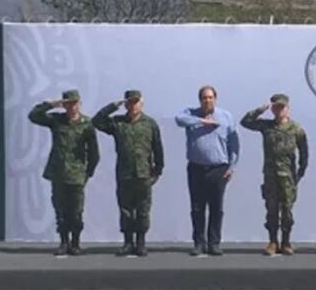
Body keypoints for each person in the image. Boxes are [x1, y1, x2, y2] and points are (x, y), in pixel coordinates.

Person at [92, 90, 164, 258]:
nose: (133, 106)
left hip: (144, 174)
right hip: (124, 174)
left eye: (136, 102)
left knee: (143, 210)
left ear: (141, 104)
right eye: (129, 103)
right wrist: (113, 106)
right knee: (125, 210)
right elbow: (96, 121)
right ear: (125, 104)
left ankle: (140, 243)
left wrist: (158, 170)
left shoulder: (150, 123)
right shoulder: (118, 122)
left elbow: (157, 148)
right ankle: (127, 242)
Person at [28, 89, 99, 257]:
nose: (71, 107)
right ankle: (63, 242)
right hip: (58, 173)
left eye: (74, 103)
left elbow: (94, 152)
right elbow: (33, 115)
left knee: (76, 211)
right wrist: (53, 104)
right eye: (68, 103)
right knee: (60, 210)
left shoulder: (87, 123)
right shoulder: (57, 120)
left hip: (77, 174)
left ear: (79, 104)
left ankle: (75, 243)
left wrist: (88, 173)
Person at [176, 86, 240, 257]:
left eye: (210, 97)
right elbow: (178, 119)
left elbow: (234, 145)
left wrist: (232, 166)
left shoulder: (226, 116)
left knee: (216, 208)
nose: (208, 100)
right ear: (200, 100)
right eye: (204, 98)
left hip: (218, 169)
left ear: (215, 99)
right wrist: (202, 122)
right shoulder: (191, 114)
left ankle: (214, 243)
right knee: (197, 208)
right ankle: (199, 243)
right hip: (196, 168)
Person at [242, 93, 309, 256]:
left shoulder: (296, 129)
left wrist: (300, 173)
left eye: (282, 107)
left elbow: (304, 152)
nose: (279, 110)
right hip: (270, 175)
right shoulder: (267, 126)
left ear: (288, 108)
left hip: (288, 177)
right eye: (276, 107)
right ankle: (273, 241)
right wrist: (260, 109)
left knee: (287, 210)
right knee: (271, 209)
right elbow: (245, 122)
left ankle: (286, 242)